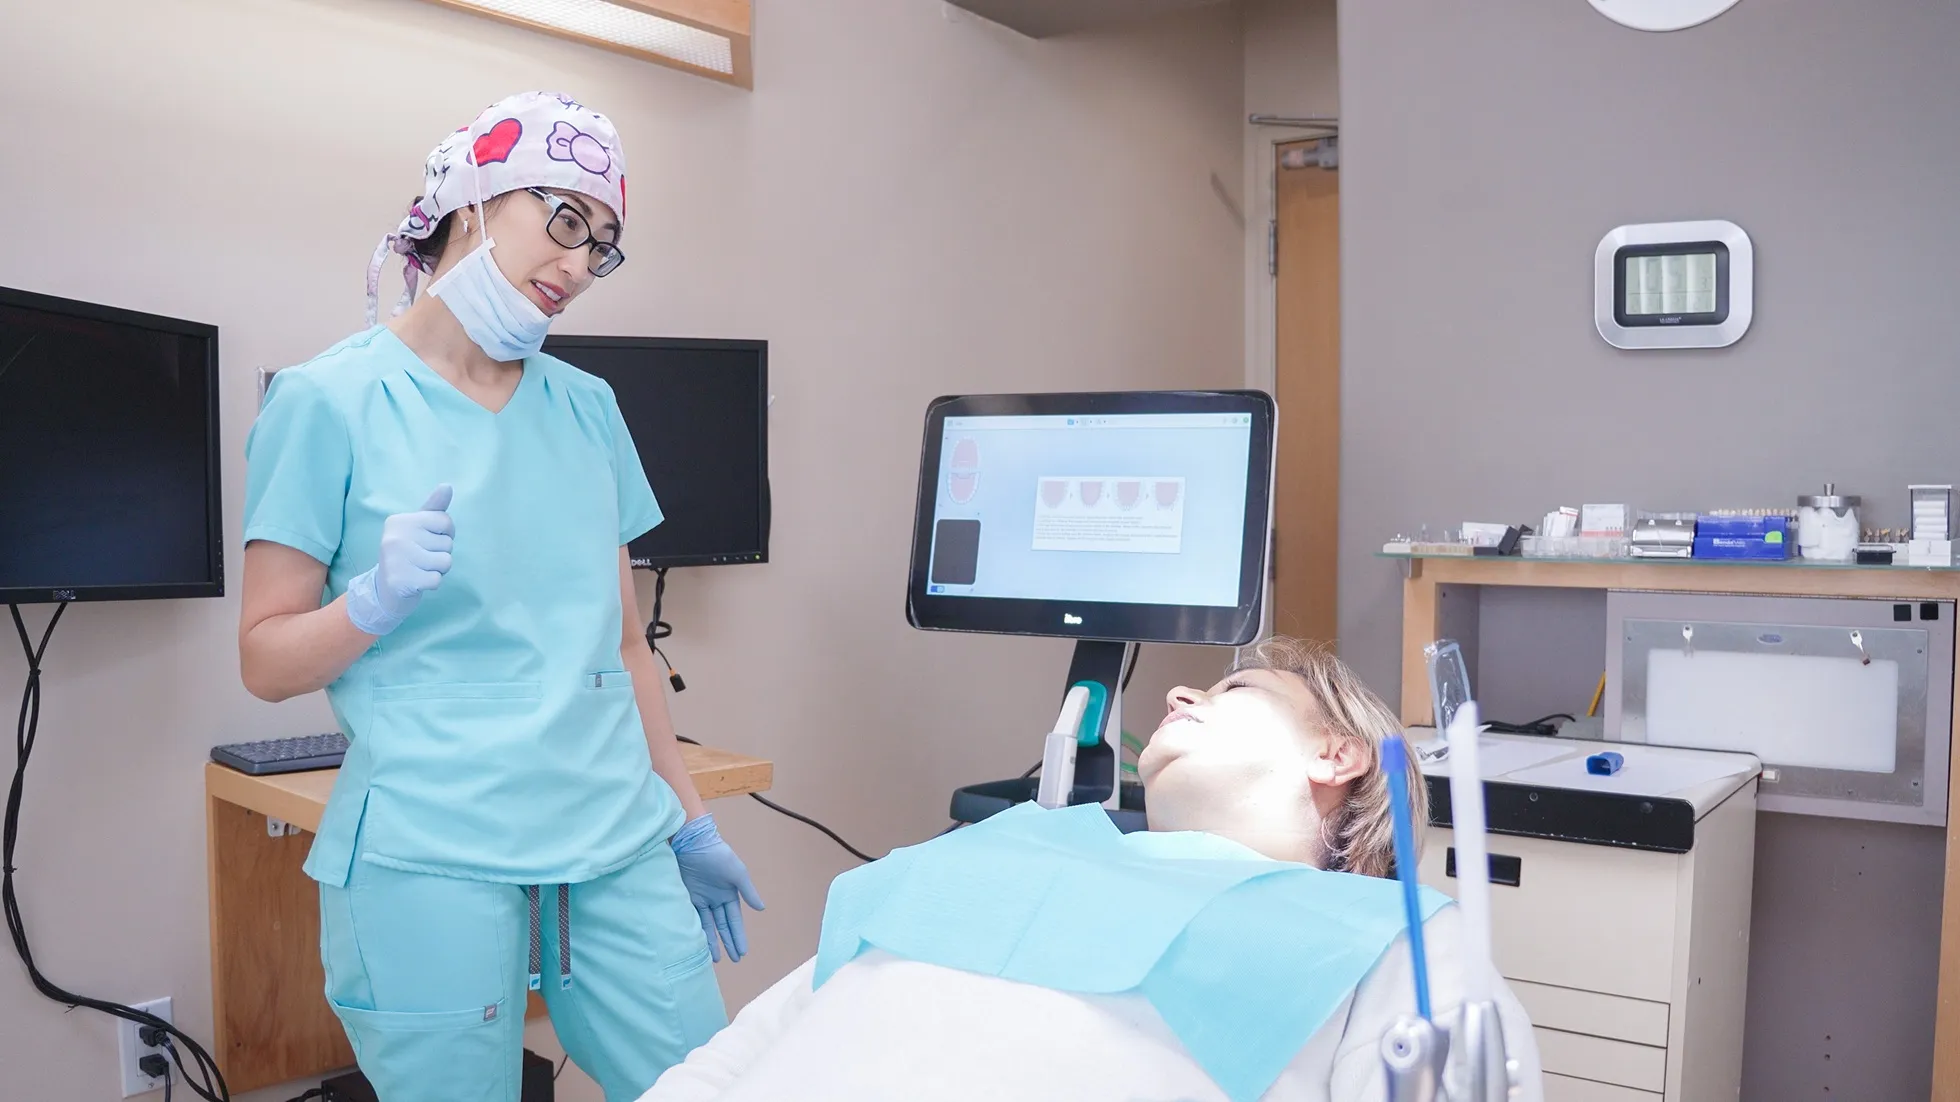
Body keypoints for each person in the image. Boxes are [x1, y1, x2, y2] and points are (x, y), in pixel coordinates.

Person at [238, 91, 763, 1102]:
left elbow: (625, 645)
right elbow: (263, 660)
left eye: (602, 244)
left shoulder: (589, 408)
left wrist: (688, 820)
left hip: (613, 837)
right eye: (564, 220)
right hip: (432, 849)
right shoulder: (327, 401)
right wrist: (369, 604)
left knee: (711, 1083)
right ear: (469, 199)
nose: (579, 264)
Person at [637, 638, 1543, 1102]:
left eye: (1236, 689)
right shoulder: (991, 851)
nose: (1179, 693)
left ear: (1337, 754)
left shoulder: (1386, 938)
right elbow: (732, 1060)